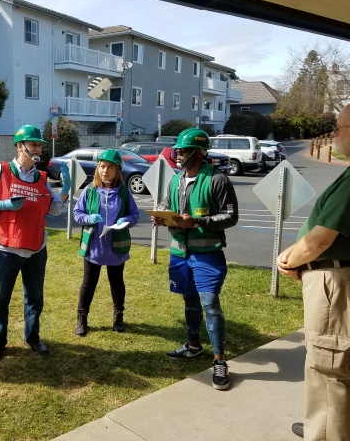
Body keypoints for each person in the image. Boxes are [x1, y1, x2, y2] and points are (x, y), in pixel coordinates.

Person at [277, 100, 350, 440]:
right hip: (341, 277)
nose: (333, 135)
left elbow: (320, 241)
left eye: (337, 128)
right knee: (336, 370)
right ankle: (320, 427)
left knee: (328, 371)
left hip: (333, 282)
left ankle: (323, 434)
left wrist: (289, 259)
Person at [151, 128, 238, 390]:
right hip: (180, 254)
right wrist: (161, 215)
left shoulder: (217, 180)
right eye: (178, 150)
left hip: (207, 255)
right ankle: (193, 346)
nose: (178, 154)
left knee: (210, 304)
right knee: (190, 301)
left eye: (185, 150)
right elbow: (167, 205)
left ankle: (219, 361)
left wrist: (197, 221)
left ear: (199, 153)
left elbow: (231, 217)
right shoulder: (175, 180)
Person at [0, 124, 70, 362]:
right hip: (6, 248)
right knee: (1, 298)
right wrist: (3, 204)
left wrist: (66, 191)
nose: (38, 148)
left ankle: (32, 336)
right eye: (33, 144)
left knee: (35, 297)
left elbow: (55, 209)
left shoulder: (41, 178)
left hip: (36, 248)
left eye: (39, 144)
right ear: (20, 146)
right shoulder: (2, 170)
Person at [72, 148, 140, 335]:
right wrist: (89, 219)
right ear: (97, 168)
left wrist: (125, 221)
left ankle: (118, 317)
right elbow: (77, 214)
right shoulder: (90, 190)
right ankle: (82, 319)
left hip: (116, 248)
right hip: (94, 247)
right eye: (102, 166)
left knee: (117, 282)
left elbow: (135, 215)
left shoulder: (124, 192)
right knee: (88, 283)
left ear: (118, 170)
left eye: (110, 167)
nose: (105, 170)